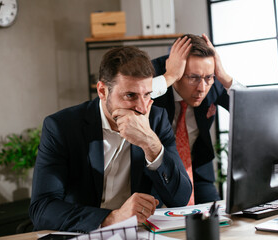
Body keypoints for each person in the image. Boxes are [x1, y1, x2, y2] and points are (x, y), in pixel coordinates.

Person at [29, 46, 192, 232]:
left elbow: (180, 199)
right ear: (102, 91)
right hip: (81, 233)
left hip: (137, 234)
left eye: (147, 95)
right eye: (130, 96)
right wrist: (112, 218)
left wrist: (150, 143)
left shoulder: (156, 120)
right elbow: (42, 209)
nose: (142, 108)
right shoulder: (61, 127)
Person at [151, 34, 245, 205]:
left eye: (209, 78)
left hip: (196, 168)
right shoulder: (154, 75)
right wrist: (169, 77)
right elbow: (133, 100)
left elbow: (250, 108)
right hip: (153, 172)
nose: (202, 88)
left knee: (217, 218)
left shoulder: (211, 80)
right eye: (193, 78)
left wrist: (223, 76)